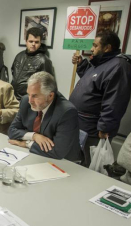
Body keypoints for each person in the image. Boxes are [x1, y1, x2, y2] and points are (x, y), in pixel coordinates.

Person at [70, 30, 131, 167]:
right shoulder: (102, 62)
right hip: (81, 122)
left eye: (95, 45)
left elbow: (115, 101)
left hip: (94, 128)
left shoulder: (118, 66)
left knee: (90, 164)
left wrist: (105, 127)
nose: (92, 49)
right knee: (79, 161)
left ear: (107, 47)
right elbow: (93, 81)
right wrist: (81, 65)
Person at [8, 72, 81, 161]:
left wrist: (26, 143)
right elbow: (12, 131)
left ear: (50, 96)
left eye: (34, 96)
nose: (30, 100)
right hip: (37, 156)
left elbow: (58, 151)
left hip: (65, 163)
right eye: (28, 94)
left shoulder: (67, 112)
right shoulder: (25, 101)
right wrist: (34, 136)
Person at [11, 27, 53, 100]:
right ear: (26, 41)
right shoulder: (19, 56)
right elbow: (13, 71)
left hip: (29, 99)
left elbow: (48, 84)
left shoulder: (44, 60)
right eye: (31, 41)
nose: (33, 44)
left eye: (36, 42)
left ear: (40, 43)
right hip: (13, 97)